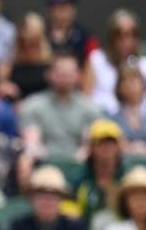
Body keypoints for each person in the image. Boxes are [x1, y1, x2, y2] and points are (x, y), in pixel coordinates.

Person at [17, 52, 102, 183]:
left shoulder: (90, 108)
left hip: (80, 164)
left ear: (78, 76)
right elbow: (32, 143)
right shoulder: (32, 105)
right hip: (44, 163)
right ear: (49, 75)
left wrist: (77, 161)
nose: (65, 78)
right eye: (60, 73)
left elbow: (89, 144)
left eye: (69, 74)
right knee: (25, 160)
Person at [82, 10, 146, 115]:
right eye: (119, 34)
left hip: (140, 124)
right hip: (102, 121)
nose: (126, 40)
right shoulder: (96, 59)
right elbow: (85, 101)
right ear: (111, 37)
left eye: (132, 34)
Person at [65, 119, 124, 230]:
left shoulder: (127, 179)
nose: (106, 148)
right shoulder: (78, 179)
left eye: (111, 143)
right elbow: (67, 209)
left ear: (118, 147)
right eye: (101, 143)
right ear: (91, 148)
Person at [0, 12, 51, 103]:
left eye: (34, 43)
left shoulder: (50, 63)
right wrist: (3, 87)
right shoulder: (10, 64)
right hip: (16, 109)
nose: (29, 48)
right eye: (23, 42)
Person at [45, 0, 98, 65]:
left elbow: (96, 64)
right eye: (59, 7)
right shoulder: (41, 35)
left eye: (67, 6)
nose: (64, 12)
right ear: (50, 9)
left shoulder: (86, 37)